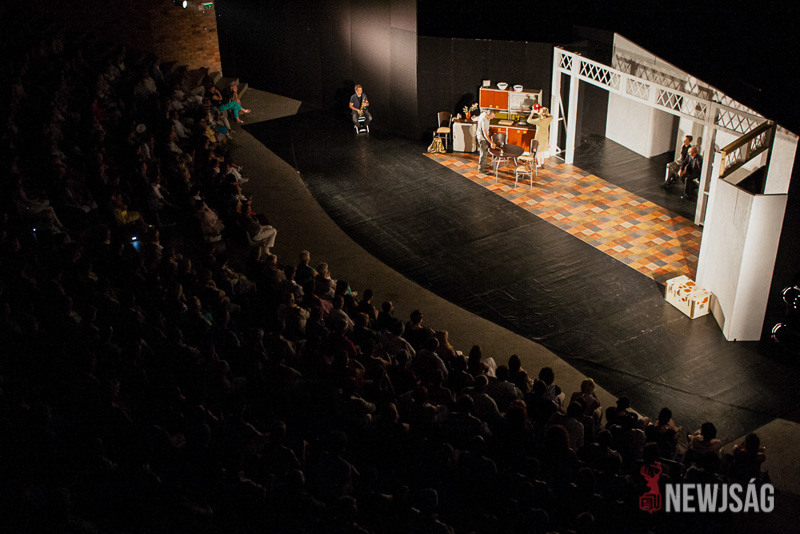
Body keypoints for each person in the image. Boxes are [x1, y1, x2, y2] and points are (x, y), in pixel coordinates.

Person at [476, 108, 497, 173]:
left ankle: (484, 164)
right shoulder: (484, 120)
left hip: (483, 137)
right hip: (482, 138)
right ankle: (481, 169)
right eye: (491, 117)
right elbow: (485, 134)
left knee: (485, 152)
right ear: (488, 115)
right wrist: (491, 142)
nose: (492, 118)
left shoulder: (484, 114)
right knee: (483, 153)